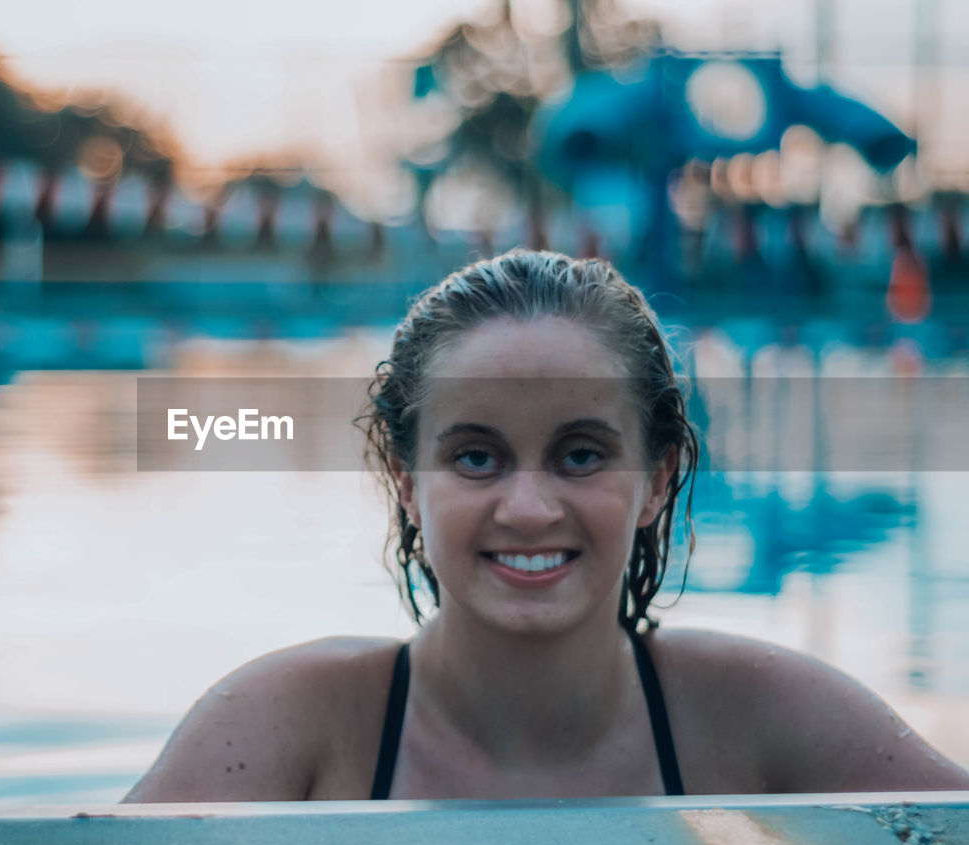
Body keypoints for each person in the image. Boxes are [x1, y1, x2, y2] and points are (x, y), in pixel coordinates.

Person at [122, 249, 969, 802]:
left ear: (657, 478)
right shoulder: (283, 729)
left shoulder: (768, 717)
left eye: (581, 456)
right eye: (477, 458)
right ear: (404, 480)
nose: (528, 510)